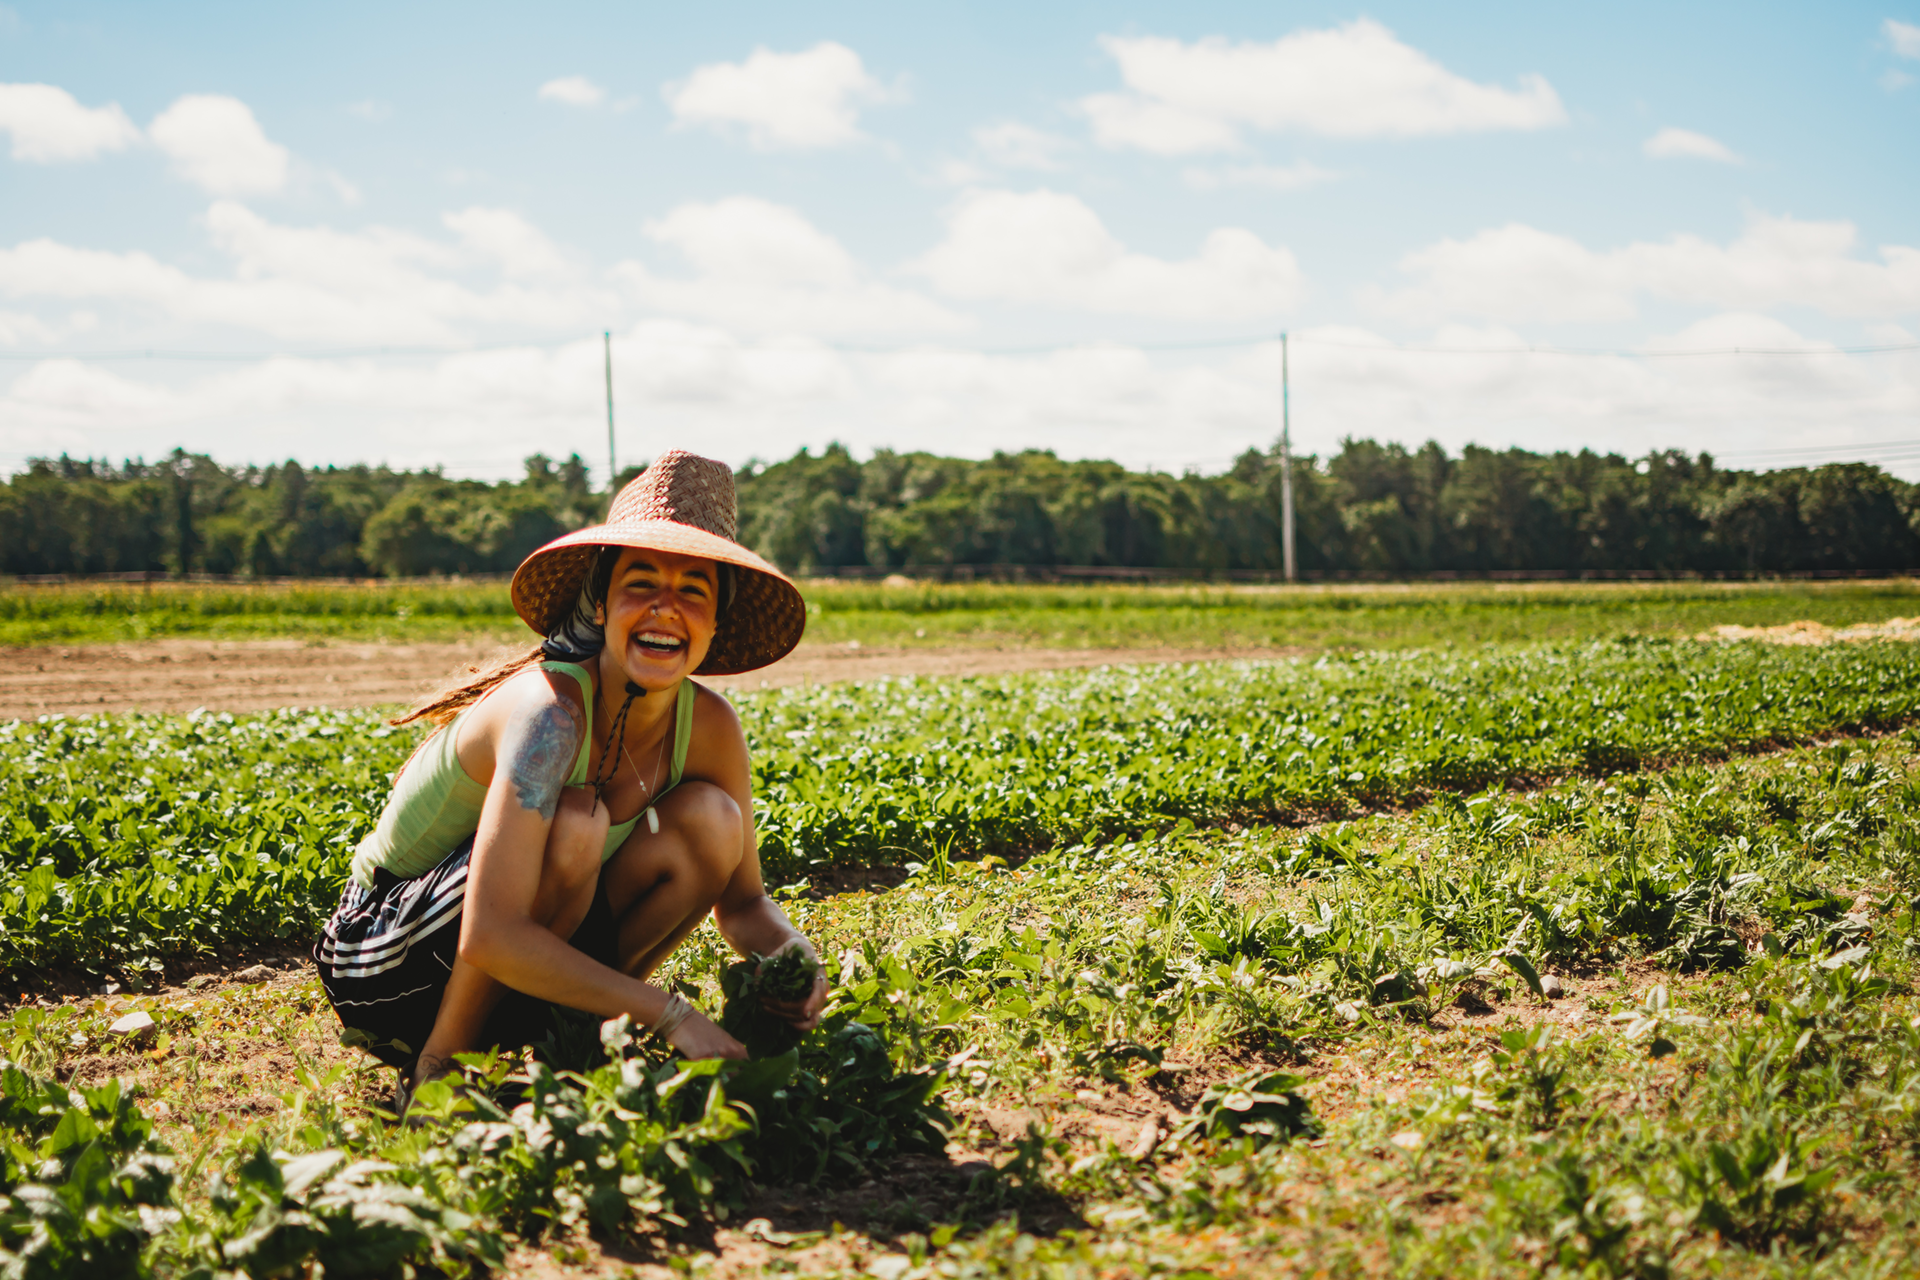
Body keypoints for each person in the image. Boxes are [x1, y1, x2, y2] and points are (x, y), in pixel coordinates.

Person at [311, 450, 823, 1102]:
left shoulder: (711, 726)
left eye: (693, 591)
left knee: (712, 823)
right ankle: (440, 1073)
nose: (666, 608)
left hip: (510, 955)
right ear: (602, 605)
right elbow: (491, 932)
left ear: (714, 623)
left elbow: (745, 904)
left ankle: (573, 1039)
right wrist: (668, 1013)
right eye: (641, 584)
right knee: (578, 824)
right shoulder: (548, 714)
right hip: (383, 958)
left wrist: (796, 958)